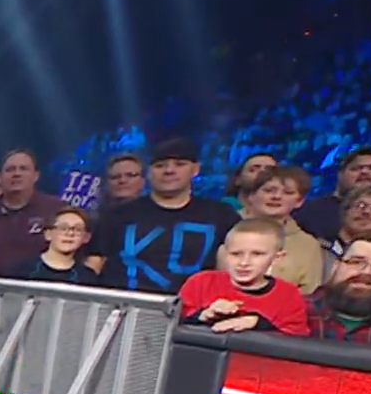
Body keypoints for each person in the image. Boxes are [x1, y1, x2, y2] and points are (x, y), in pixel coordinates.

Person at [87, 138, 241, 292]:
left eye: (180, 164)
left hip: (195, 305)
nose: (169, 170)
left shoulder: (222, 216)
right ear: (148, 172)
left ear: (195, 170)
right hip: (121, 303)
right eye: (160, 165)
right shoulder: (117, 215)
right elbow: (94, 263)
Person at [178, 219, 309, 336]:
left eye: (257, 254)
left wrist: (258, 323)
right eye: (236, 254)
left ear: (277, 258)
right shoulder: (200, 283)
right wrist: (204, 315)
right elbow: (172, 324)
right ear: (224, 253)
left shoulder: (288, 295)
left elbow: (297, 343)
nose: (244, 262)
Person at [0, 149, 61, 276]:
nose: (16, 174)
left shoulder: (56, 210)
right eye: (10, 169)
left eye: (23, 169)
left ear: (36, 176)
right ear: (1, 177)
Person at [230, 166, 323, 294]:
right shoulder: (226, 227)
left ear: (299, 201)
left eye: (288, 193)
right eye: (269, 191)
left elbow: (309, 292)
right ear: (251, 196)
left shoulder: (308, 244)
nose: (277, 196)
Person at [25, 205, 97, 285]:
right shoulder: (24, 270)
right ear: (48, 234)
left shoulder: (88, 277)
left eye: (78, 229)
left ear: (86, 237)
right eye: (63, 228)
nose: (70, 233)